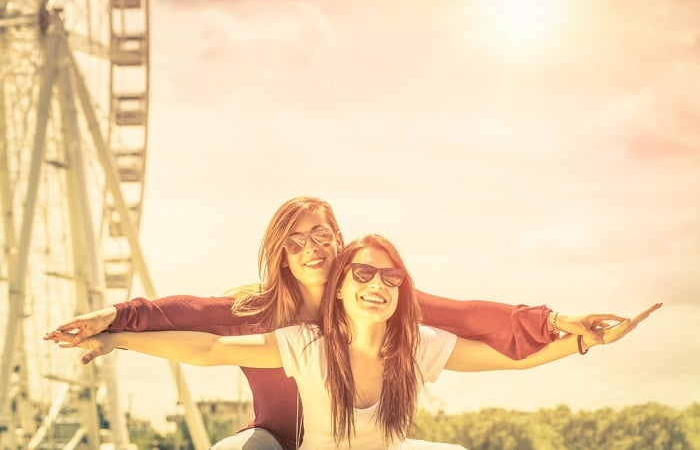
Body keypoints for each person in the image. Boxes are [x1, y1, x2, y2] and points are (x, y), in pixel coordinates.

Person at [48, 196, 621, 449]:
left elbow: (470, 316)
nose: (313, 247)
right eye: (297, 241)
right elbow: (194, 328)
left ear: (340, 241)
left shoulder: (377, 300)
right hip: (275, 441)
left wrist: (559, 325)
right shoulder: (257, 313)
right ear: (282, 254)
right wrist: (115, 324)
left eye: (323, 234)